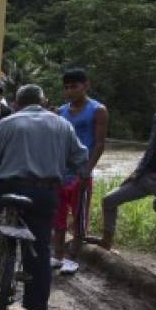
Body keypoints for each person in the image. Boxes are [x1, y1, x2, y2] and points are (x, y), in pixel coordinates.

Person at [0, 84, 89, 310]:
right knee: (39, 248)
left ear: (16, 104)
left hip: (8, 187)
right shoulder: (62, 124)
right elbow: (80, 159)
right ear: (44, 101)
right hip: (45, 192)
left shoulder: (6, 124)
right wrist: (57, 170)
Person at [97, 75, 156, 270]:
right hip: (147, 175)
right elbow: (152, 147)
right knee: (109, 200)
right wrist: (137, 172)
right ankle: (106, 242)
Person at [53, 69, 109, 275]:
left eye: (74, 86)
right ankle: (57, 255)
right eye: (66, 87)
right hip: (61, 171)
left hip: (81, 171)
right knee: (57, 216)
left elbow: (100, 144)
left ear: (85, 85)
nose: (70, 91)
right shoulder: (60, 112)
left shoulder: (98, 110)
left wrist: (87, 170)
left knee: (79, 216)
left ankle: (72, 257)